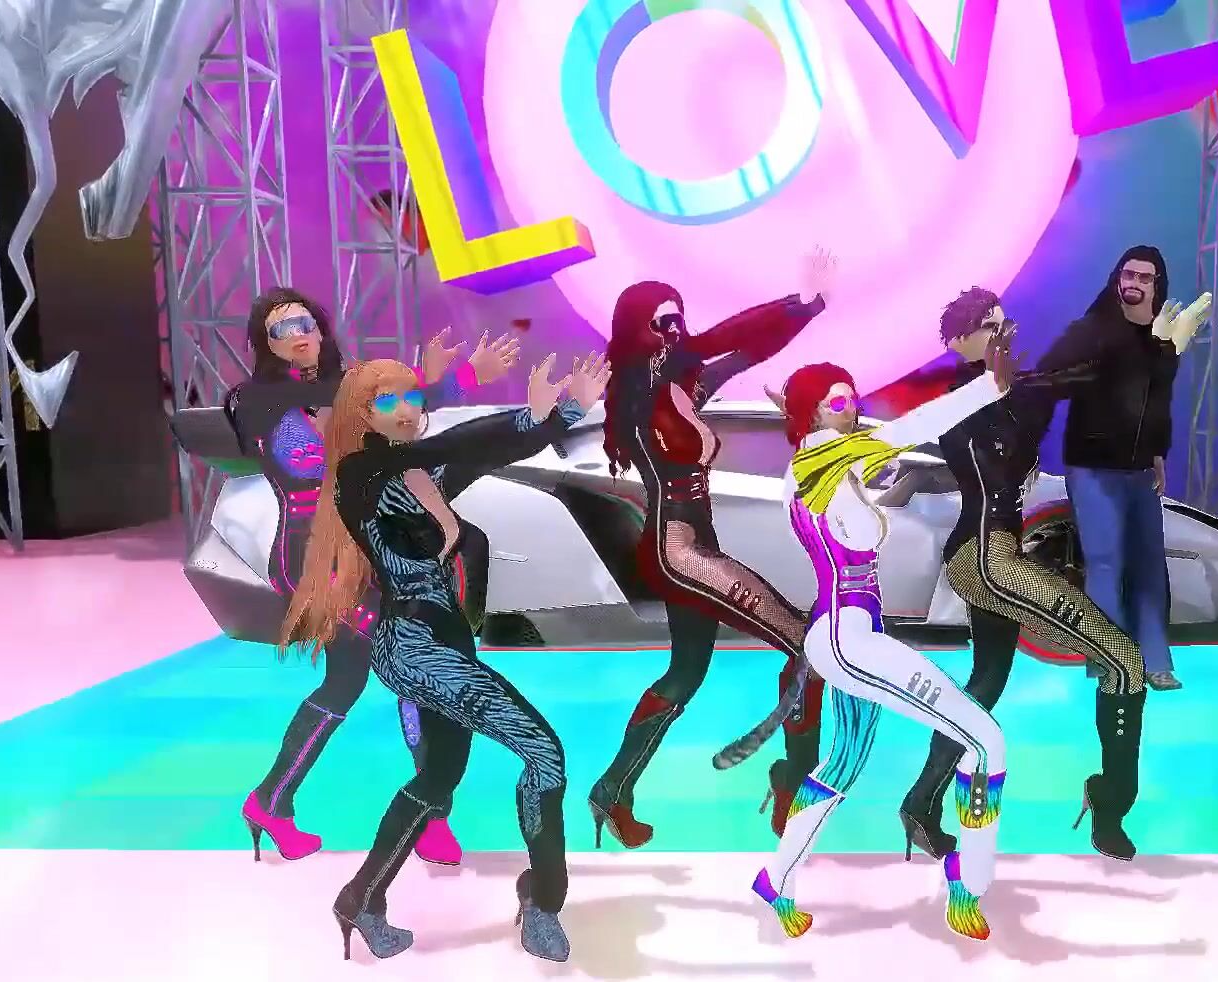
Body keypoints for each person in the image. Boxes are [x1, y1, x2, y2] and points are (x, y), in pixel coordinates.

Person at [281, 351, 608, 963]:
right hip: (414, 646)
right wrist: (537, 416)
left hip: (447, 640)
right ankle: (543, 901)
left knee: (438, 778)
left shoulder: (422, 473)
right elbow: (457, 441)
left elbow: (480, 452)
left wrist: (559, 416)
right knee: (544, 753)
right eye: (387, 400)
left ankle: (360, 899)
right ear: (361, 414)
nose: (406, 408)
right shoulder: (360, 471)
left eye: (411, 395)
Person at [230, 287, 519, 866]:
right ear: (266, 343)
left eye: (305, 322)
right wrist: (433, 385)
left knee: (348, 681)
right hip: (315, 558)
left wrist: (446, 382)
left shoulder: (346, 386)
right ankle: (428, 816)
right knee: (412, 667)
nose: (297, 334)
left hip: (370, 545)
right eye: (281, 328)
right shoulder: (255, 400)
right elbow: (341, 436)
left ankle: (272, 802)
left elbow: (388, 422)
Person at [752, 349, 1014, 942]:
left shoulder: (822, 460)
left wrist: (813, 415)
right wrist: (985, 389)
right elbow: (904, 432)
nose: (853, 410)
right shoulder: (819, 456)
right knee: (985, 742)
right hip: (848, 639)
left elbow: (873, 447)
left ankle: (776, 880)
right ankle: (969, 880)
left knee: (842, 763)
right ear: (813, 413)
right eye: (838, 402)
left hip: (848, 635)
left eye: (853, 398)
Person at [589, 249, 838, 849]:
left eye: (679, 317)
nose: (676, 330)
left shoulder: (680, 384)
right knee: (808, 644)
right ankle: (793, 779)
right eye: (663, 320)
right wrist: (797, 303)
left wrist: (807, 311)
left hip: (694, 541)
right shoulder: (638, 392)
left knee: (687, 670)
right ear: (638, 329)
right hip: (677, 549)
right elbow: (720, 339)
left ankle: (612, 789)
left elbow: (747, 351)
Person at [898, 287, 1150, 862]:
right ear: (957, 340)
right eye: (987, 327)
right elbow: (994, 452)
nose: (1000, 334)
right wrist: (1010, 388)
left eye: (1003, 323)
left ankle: (920, 803)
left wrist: (1149, 346)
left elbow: (1082, 374)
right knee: (1123, 658)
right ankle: (1111, 800)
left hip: (995, 554)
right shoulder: (958, 403)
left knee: (987, 681)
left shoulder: (1017, 389)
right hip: (984, 560)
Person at [1020, 246, 1210, 692]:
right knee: (1105, 564)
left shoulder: (1160, 337)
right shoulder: (1091, 331)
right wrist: (1027, 445)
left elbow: (1156, 401)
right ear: (1116, 277)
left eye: (1145, 277)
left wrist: (1157, 451)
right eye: (1128, 274)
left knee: (1149, 565)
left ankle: (1156, 662)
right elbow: (1045, 382)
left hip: (1140, 470)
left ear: (1157, 285)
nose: (1135, 283)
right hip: (1093, 468)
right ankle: (1111, 662)